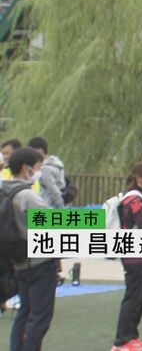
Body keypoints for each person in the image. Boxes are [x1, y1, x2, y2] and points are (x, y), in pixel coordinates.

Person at [7, 147, 58, 351]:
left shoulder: (6, 191)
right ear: (25, 168)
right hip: (39, 262)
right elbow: (53, 221)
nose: (39, 171)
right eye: (37, 167)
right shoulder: (27, 195)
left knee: (24, 313)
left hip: (18, 261)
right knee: (39, 317)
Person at [112, 162, 142, 351]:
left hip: (138, 253)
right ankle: (122, 340)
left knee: (139, 296)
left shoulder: (137, 197)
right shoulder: (134, 199)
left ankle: (131, 336)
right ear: (139, 178)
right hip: (133, 254)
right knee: (133, 296)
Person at [27, 137, 65, 209]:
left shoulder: (45, 169)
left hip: (47, 206)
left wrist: (62, 210)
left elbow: (54, 191)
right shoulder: (56, 164)